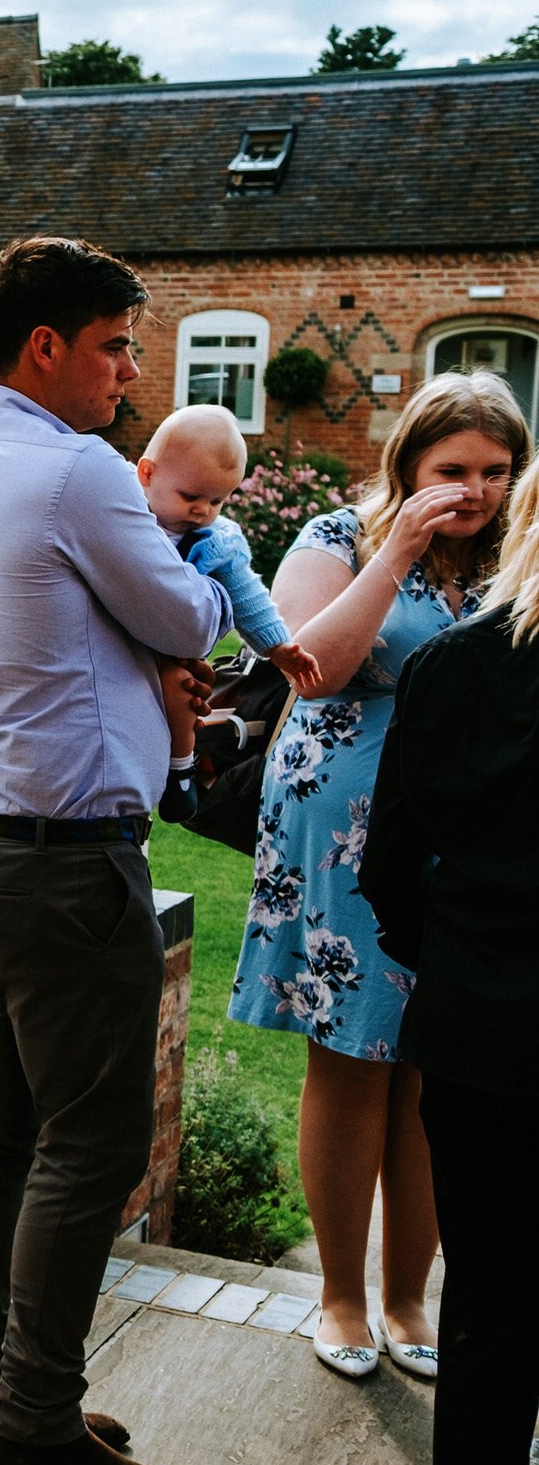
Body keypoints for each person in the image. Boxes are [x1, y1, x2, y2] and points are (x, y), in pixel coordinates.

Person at [0, 235, 230, 1465]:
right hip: (64, 860)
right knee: (87, 1144)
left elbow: (80, 613)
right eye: (112, 346)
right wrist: (192, 605)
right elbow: (186, 619)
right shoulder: (80, 471)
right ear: (42, 345)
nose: (127, 372)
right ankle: (35, 1425)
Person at [230, 371, 516, 1381]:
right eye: (451, 469)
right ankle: (341, 1297)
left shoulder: (518, 554)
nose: (472, 490)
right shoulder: (335, 536)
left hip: (470, 839)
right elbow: (317, 662)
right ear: (407, 462)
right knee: (351, 1060)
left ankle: (408, 1299)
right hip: (341, 833)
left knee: (439, 1068)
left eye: (493, 469)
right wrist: (396, 547)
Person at [360, 406, 537, 1465]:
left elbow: (389, 867)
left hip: (478, 1025)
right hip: (486, 1019)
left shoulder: (453, 666)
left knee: (490, 1292)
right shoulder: (454, 662)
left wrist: (465, 962)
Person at [137, 403, 322, 689]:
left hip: (173, 659)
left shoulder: (218, 542)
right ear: (147, 474)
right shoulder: (123, 511)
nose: (202, 510)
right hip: (121, 650)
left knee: (183, 696)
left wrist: (278, 647)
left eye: (216, 501)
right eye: (190, 496)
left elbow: (246, 595)